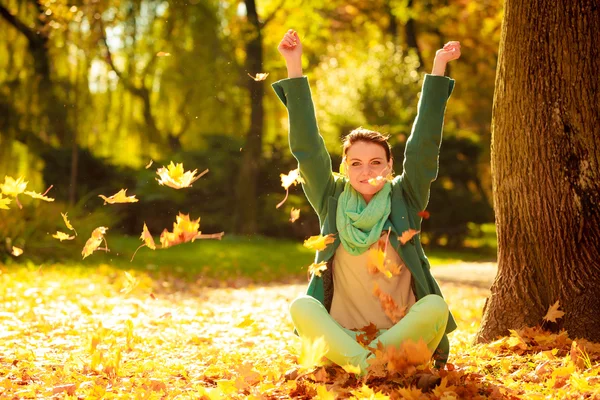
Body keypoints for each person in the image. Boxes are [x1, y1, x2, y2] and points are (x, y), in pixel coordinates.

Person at [272, 29, 461, 374]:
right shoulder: (331, 197)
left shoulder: (405, 196)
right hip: (344, 338)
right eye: (355, 163)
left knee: (435, 306)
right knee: (302, 307)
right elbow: (308, 149)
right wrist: (293, 64)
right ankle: (370, 365)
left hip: (403, 337)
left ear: (390, 167)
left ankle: (366, 366)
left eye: (376, 162)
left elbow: (423, 148)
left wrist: (438, 69)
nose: (366, 171)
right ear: (344, 167)